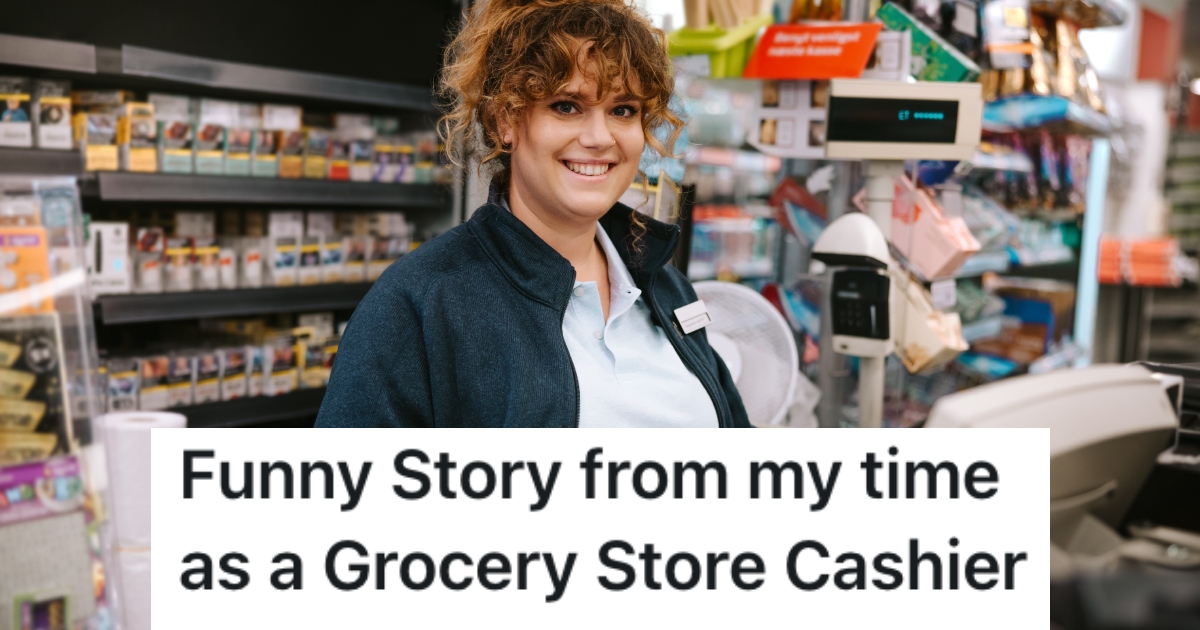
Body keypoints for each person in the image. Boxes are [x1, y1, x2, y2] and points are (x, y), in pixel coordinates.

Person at [316, 0, 749, 428]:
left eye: (623, 110)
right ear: (506, 119)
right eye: (566, 106)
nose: (600, 137)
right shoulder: (421, 303)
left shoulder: (666, 286)